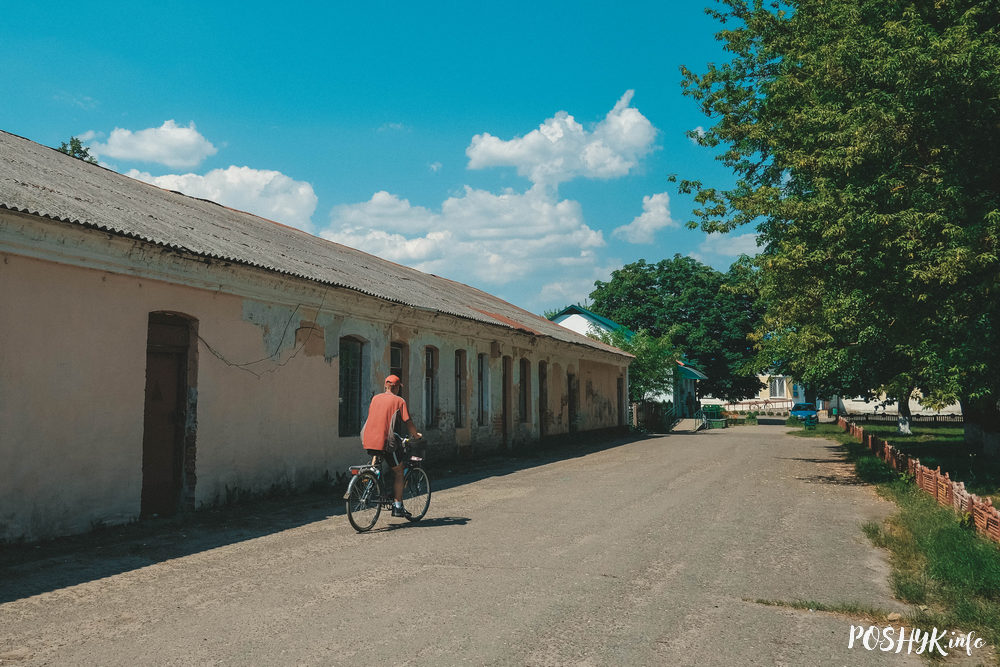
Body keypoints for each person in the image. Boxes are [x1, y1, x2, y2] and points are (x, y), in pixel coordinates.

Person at [361, 374, 422, 518]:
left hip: (368, 438)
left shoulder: (375, 398)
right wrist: (415, 435)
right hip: (386, 441)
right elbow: (408, 421)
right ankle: (398, 506)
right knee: (399, 471)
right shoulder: (399, 400)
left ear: (385, 386)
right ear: (396, 387)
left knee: (377, 457)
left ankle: (373, 474)